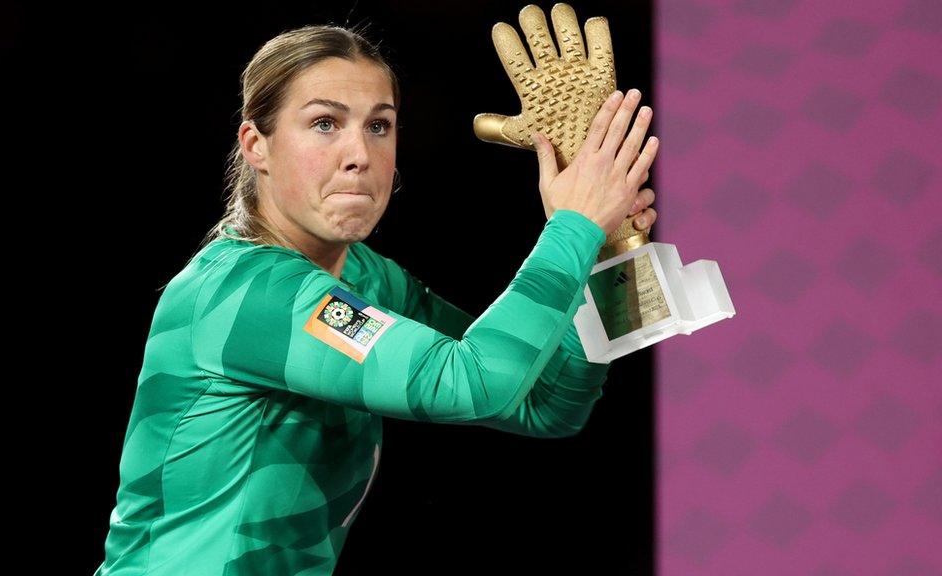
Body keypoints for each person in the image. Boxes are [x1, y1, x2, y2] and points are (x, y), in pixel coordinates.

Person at [94, 23, 658, 576]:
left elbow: (544, 403)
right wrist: (574, 227)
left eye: (379, 126)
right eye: (323, 123)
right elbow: (473, 383)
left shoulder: (363, 279)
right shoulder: (243, 292)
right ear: (256, 147)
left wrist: (610, 254)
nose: (359, 153)